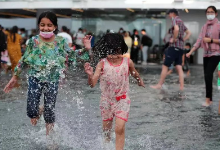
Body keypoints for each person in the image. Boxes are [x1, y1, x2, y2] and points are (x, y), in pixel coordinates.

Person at [3, 11, 91, 142]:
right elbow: (24, 59)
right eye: (42, 25)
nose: (45, 28)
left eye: (49, 25)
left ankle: (49, 138)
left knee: (49, 111)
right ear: (39, 25)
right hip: (35, 78)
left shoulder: (60, 41)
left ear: (55, 27)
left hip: (53, 79)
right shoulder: (33, 41)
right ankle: (39, 109)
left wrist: (86, 48)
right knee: (31, 112)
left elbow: (72, 55)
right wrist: (15, 77)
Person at [84, 33, 145, 150]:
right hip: (106, 101)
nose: (113, 56)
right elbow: (92, 84)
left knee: (119, 128)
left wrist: (139, 81)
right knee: (106, 131)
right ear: (106, 51)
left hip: (122, 99)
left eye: (116, 52)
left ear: (121, 49)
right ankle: (107, 146)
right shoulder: (102, 64)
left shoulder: (128, 62)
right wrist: (90, 75)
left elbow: (134, 73)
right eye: (110, 53)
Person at [187, 6, 220, 107]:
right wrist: (190, 52)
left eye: (211, 12)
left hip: (216, 53)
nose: (210, 14)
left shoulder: (219, 25)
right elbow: (199, 40)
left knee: (208, 74)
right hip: (206, 54)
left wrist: (210, 40)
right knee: (207, 77)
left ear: (216, 13)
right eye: (208, 12)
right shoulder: (204, 26)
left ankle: (207, 100)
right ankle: (209, 99)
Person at [151, 8, 191, 91]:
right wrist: (183, 39)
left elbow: (176, 29)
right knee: (179, 67)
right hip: (180, 48)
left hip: (174, 47)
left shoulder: (174, 19)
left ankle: (159, 84)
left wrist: (174, 38)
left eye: (169, 14)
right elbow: (189, 33)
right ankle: (181, 87)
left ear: (173, 13)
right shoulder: (181, 22)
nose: (169, 16)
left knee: (165, 66)